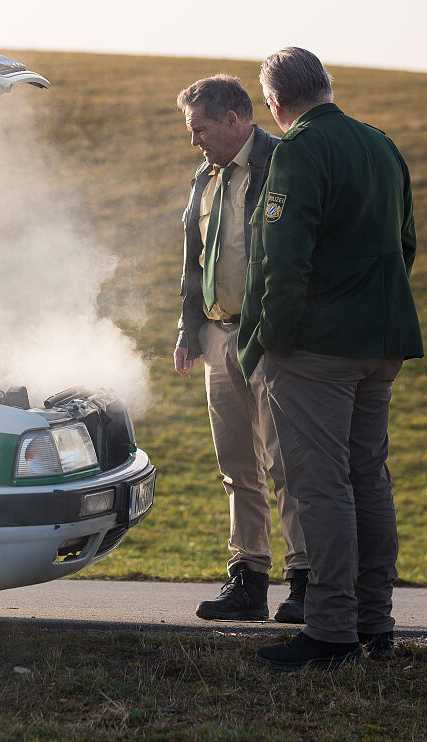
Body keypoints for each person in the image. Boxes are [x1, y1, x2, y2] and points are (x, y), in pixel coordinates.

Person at [238, 47, 424, 670]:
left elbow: (281, 260)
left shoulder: (297, 150)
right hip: (382, 339)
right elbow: (405, 243)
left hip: (316, 347)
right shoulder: (381, 144)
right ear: (326, 85)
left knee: (321, 486)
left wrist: (270, 340)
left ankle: (332, 629)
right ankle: (376, 621)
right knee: (369, 479)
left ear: (273, 101)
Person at [173, 74, 309, 624]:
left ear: (234, 120)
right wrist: (189, 330)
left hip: (269, 340)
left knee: (286, 462)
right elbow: (195, 261)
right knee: (236, 466)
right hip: (215, 335)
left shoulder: (283, 164)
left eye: (200, 129)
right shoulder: (204, 176)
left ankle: (305, 582)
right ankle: (249, 580)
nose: (194, 141)